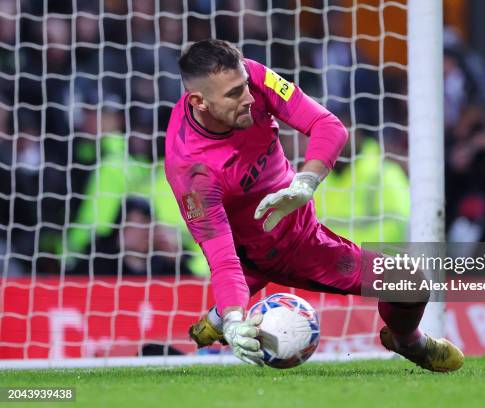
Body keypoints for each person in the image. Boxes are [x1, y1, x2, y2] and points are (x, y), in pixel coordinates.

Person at [165, 39, 463, 371]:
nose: (249, 97)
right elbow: (223, 262)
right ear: (198, 101)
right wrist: (238, 322)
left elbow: (328, 126)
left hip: (294, 226)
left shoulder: (251, 77)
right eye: (234, 94)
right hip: (284, 249)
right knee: (409, 283)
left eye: (245, 85)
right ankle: (412, 342)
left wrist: (306, 182)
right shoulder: (191, 170)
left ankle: (221, 317)